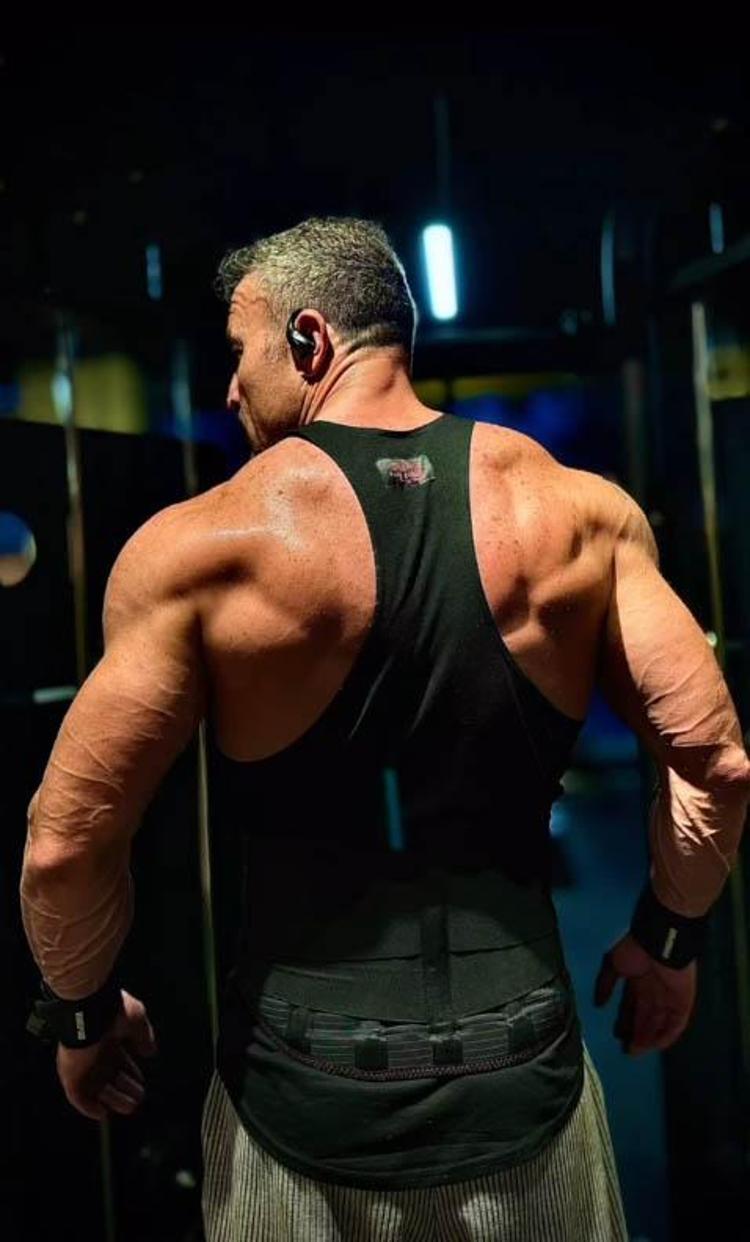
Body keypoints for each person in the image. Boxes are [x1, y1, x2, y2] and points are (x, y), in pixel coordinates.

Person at [20, 218, 750, 1241]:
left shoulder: (203, 549)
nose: (229, 391)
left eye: (240, 353)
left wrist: (83, 1013)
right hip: (526, 1080)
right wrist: (669, 940)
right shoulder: (579, 514)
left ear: (308, 340)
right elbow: (716, 762)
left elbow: (65, 844)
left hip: (298, 1105)